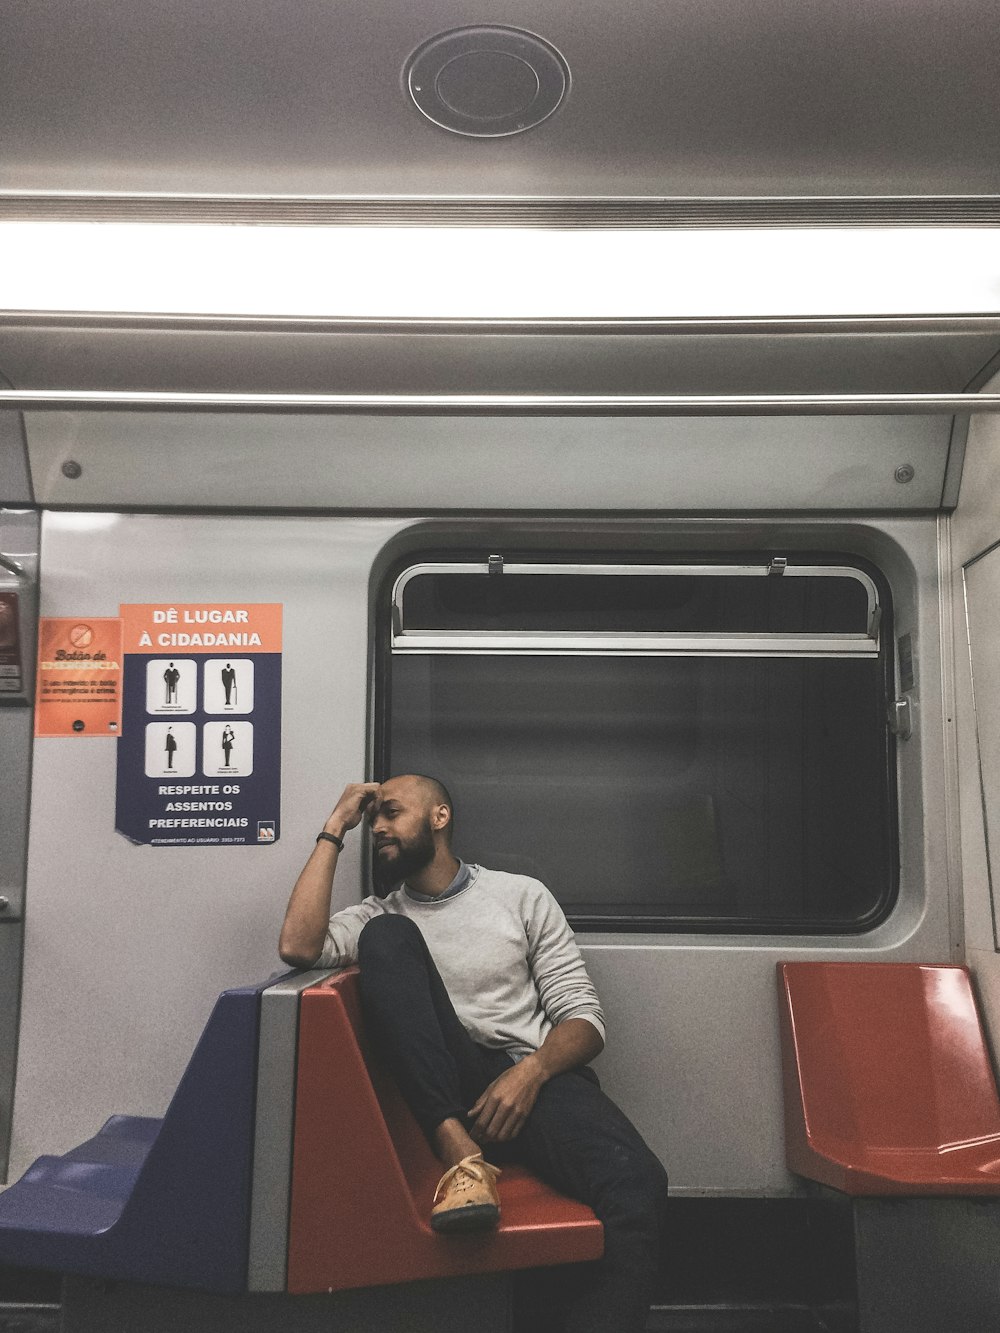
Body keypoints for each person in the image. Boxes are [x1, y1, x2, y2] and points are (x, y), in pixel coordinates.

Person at [279, 775, 668, 1333]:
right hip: (443, 1092)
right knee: (388, 936)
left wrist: (531, 1073)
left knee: (639, 1184)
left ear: (439, 818)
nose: (380, 827)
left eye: (392, 812)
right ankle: (458, 1151)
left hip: (528, 1080)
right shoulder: (375, 916)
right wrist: (336, 825)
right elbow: (298, 946)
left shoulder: (520, 895)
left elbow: (585, 1020)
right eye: (374, 821)